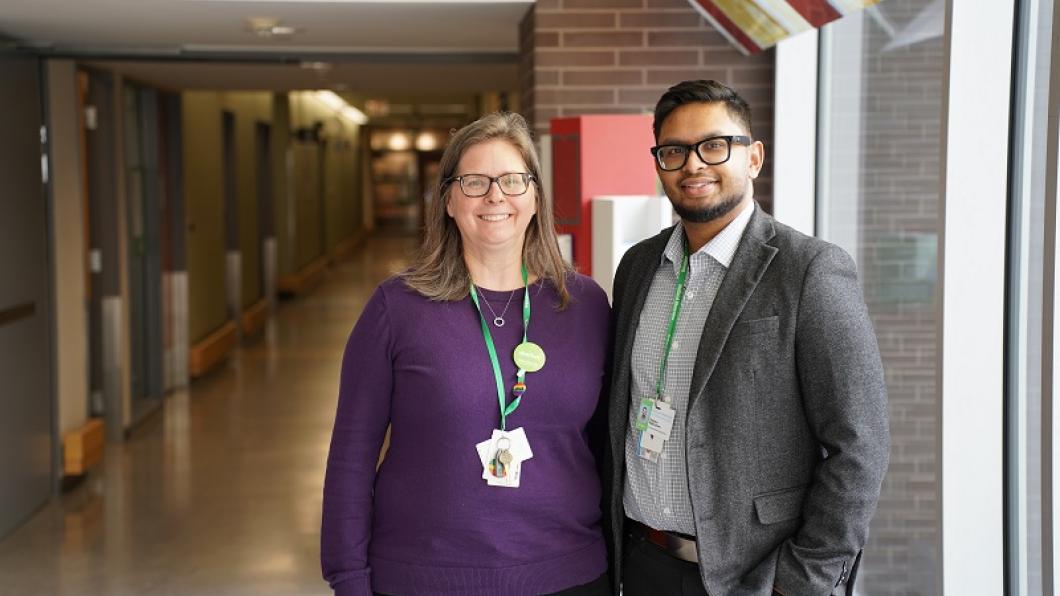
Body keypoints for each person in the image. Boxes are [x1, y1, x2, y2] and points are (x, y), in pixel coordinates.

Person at [604, 80, 890, 596]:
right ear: (659, 164)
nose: (693, 165)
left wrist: (802, 581)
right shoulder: (637, 267)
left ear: (753, 157)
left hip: (755, 575)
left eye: (714, 145)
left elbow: (859, 444)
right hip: (643, 563)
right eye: (674, 151)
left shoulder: (811, 271)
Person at [321, 112, 611, 596]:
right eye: (474, 182)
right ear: (449, 201)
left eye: (513, 180)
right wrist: (348, 578)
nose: (495, 196)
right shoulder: (397, 308)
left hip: (568, 574)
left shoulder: (586, 306)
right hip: (424, 576)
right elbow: (351, 457)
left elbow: (605, 447)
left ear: (536, 197)